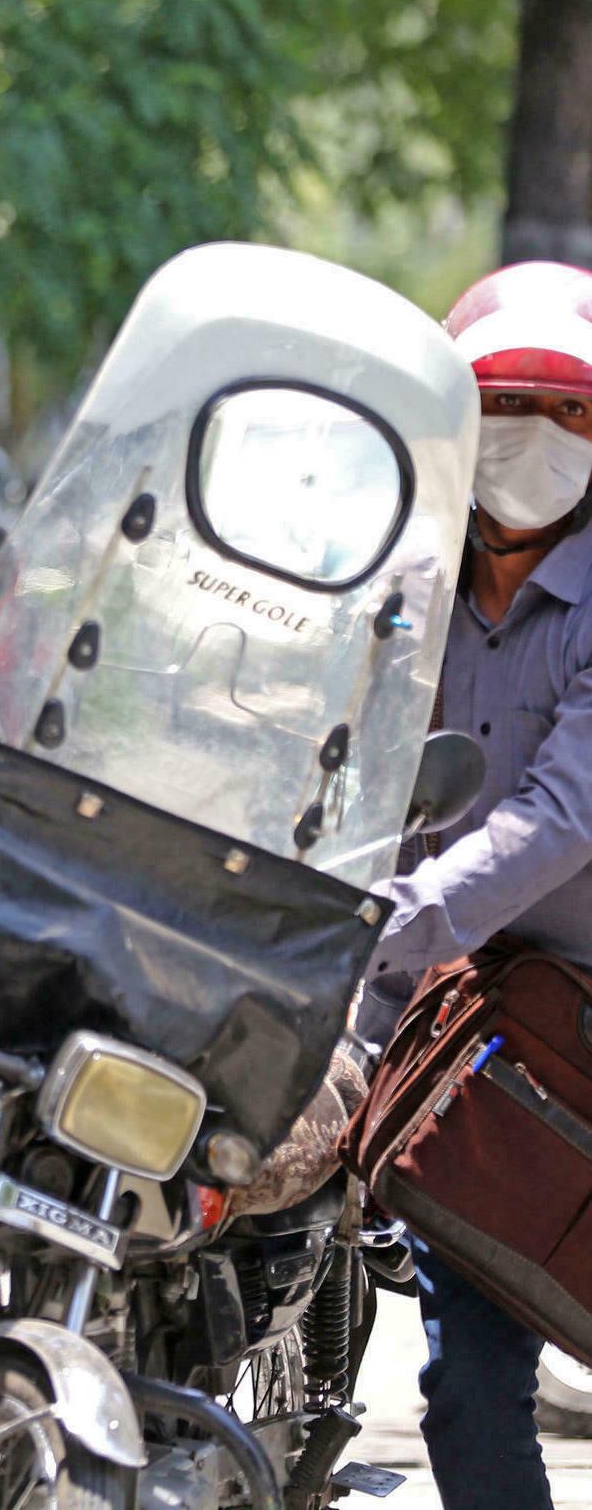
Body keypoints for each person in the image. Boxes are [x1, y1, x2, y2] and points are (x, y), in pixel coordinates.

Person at [356, 261, 592, 1510]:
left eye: (575, 414)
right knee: (464, 1389)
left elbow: (562, 818)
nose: (542, 443)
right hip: (471, 1037)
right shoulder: (411, 582)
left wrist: (382, 928)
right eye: (512, 407)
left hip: (572, 1023)